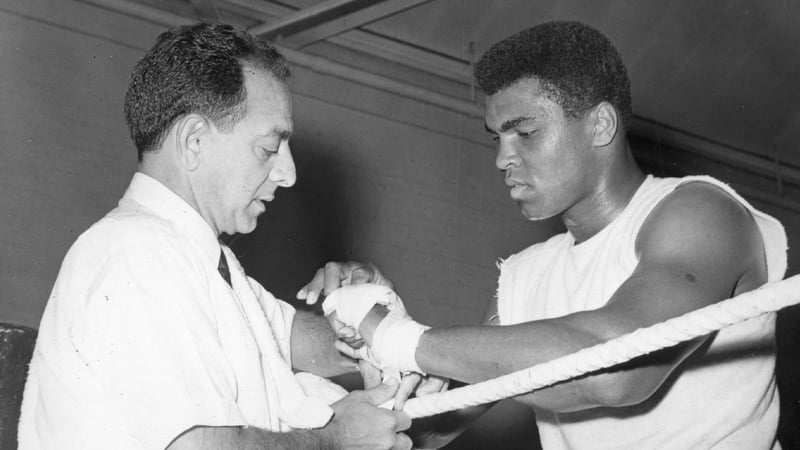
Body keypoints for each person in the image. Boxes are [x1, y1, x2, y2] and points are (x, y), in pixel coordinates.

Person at [301, 21, 788, 449]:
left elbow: (619, 366)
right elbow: (429, 428)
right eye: (498, 138)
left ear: (600, 125)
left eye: (525, 133)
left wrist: (394, 336)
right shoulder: (524, 276)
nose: (501, 159)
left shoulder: (700, 212)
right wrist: (381, 349)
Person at [17, 23, 413, 450]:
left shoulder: (201, 261)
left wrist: (362, 313)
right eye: (268, 148)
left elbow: (300, 340)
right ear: (194, 142)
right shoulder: (139, 256)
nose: (288, 174)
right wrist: (337, 438)